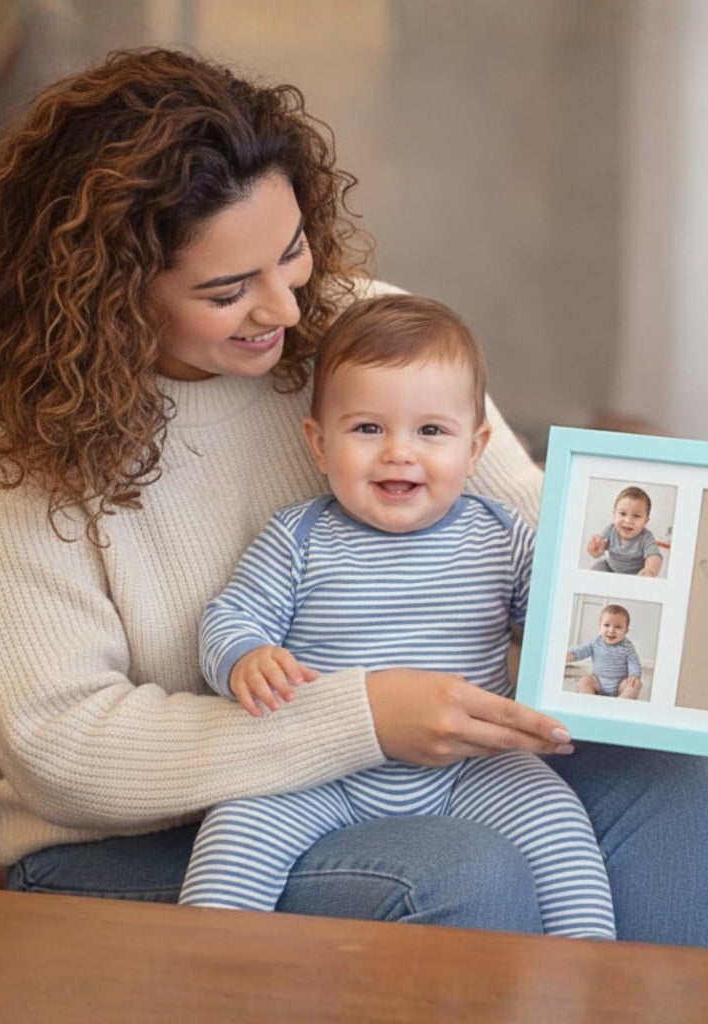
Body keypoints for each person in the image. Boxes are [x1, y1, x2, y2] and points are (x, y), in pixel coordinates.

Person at [0, 48, 708, 947]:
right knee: (467, 872)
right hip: (135, 845)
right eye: (227, 290)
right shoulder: (7, 434)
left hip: (395, 781)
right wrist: (361, 717)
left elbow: (566, 554)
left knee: (664, 783)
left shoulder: (350, 331)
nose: (288, 308)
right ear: (109, 288)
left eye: (291, 249)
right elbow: (62, 752)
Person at [179, 294, 615, 938]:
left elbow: (559, 621)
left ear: (476, 449)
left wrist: (599, 584)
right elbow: (233, 614)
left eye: (431, 431)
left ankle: (582, 970)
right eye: (367, 429)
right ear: (319, 444)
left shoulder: (503, 537)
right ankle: (200, 977)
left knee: (558, 824)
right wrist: (245, 655)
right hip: (317, 768)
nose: (398, 453)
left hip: (472, 765)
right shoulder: (298, 536)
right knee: (233, 834)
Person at [568, 604, 643, 700]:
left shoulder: (628, 647)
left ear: (626, 631)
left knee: (635, 685)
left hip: (620, 684)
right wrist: (572, 654)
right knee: (584, 681)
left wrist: (634, 675)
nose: (611, 630)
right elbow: (582, 649)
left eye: (618, 627)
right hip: (598, 682)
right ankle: (589, 702)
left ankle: (620, 705)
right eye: (606, 625)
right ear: (600, 626)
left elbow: (634, 662)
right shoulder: (595, 642)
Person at [587, 485, 663, 576]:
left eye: (636, 516)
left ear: (645, 521)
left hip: (635, 574)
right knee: (597, 567)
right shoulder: (610, 530)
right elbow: (600, 550)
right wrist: (596, 550)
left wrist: (649, 570)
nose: (628, 520)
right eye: (623, 514)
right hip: (611, 568)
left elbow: (654, 556)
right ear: (614, 515)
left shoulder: (646, 537)